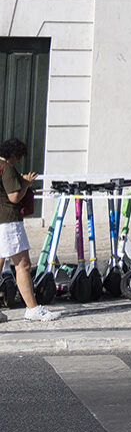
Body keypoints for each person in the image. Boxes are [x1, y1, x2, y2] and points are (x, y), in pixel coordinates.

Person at [0, 137, 57, 322]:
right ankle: (32, 309)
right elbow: (14, 197)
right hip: (9, 222)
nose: (19, 161)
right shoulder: (6, 168)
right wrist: (26, 183)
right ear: (13, 154)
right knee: (23, 265)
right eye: (18, 157)